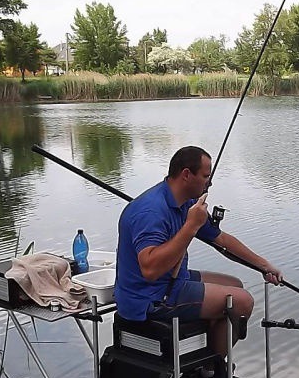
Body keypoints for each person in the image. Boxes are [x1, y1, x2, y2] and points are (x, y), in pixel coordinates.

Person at [115, 145, 282, 358]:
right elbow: (150, 270)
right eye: (205, 176)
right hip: (149, 298)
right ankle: (213, 369)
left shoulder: (187, 204)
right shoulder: (151, 211)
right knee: (242, 301)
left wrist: (263, 265)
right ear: (186, 174)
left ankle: (203, 358)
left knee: (235, 285)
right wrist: (191, 226)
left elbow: (220, 239)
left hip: (172, 280)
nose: (209, 182)